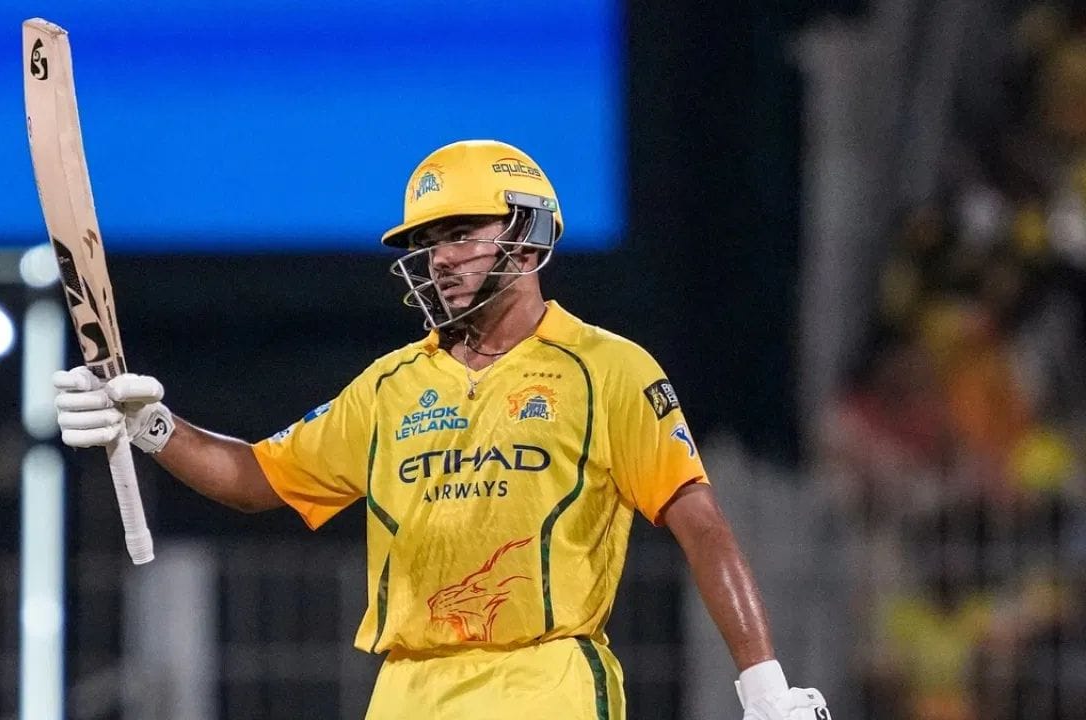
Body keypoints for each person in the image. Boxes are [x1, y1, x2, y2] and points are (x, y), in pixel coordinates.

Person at [53, 140, 830, 719]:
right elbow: (260, 479)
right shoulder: (390, 386)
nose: (439, 261)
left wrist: (763, 686)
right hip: (407, 688)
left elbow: (701, 524)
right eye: (428, 244)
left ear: (527, 235)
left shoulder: (610, 370)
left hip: (544, 682)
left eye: (460, 233)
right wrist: (151, 425)